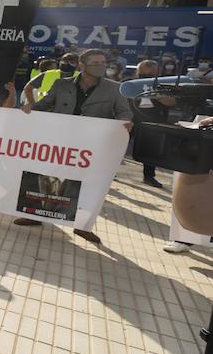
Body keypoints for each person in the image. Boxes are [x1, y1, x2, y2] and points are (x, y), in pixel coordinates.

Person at [17, 48, 134, 244]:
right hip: (61, 140)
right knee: (48, 177)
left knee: (85, 185)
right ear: (82, 65)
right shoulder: (62, 84)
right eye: (95, 63)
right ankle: (34, 215)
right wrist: (31, 108)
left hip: (91, 146)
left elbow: (124, 112)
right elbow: (46, 103)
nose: (101, 66)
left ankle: (82, 226)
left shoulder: (114, 88)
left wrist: (125, 122)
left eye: (103, 63)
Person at [130, 59, 175, 189]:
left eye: (150, 74)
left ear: (158, 73)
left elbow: (171, 102)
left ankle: (149, 176)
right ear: (137, 72)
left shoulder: (164, 85)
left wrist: (156, 93)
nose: (146, 76)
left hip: (153, 120)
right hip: (131, 118)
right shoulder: (129, 83)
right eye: (143, 73)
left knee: (151, 150)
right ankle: (110, 171)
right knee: (118, 146)